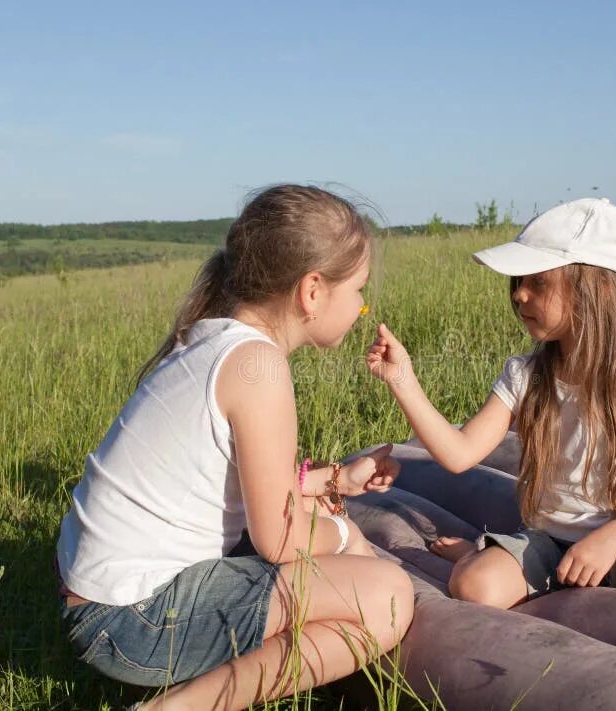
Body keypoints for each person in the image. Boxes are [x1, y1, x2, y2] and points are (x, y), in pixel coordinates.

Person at [56, 185, 414, 710]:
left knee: (330, 535)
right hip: (130, 622)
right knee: (388, 597)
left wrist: (333, 481)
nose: (363, 305)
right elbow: (278, 539)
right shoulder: (259, 366)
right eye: (358, 290)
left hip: (97, 594)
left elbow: (232, 483)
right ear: (312, 291)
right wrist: (345, 534)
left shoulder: (215, 341)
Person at [366, 197, 616, 610]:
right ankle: (481, 555)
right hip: (550, 542)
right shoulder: (525, 375)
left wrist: (608, 540)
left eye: (539, 282)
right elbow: (460, 455)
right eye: (518, 283)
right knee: (475, 585)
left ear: (600, 287)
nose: (520, 296)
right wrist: (402, 381)